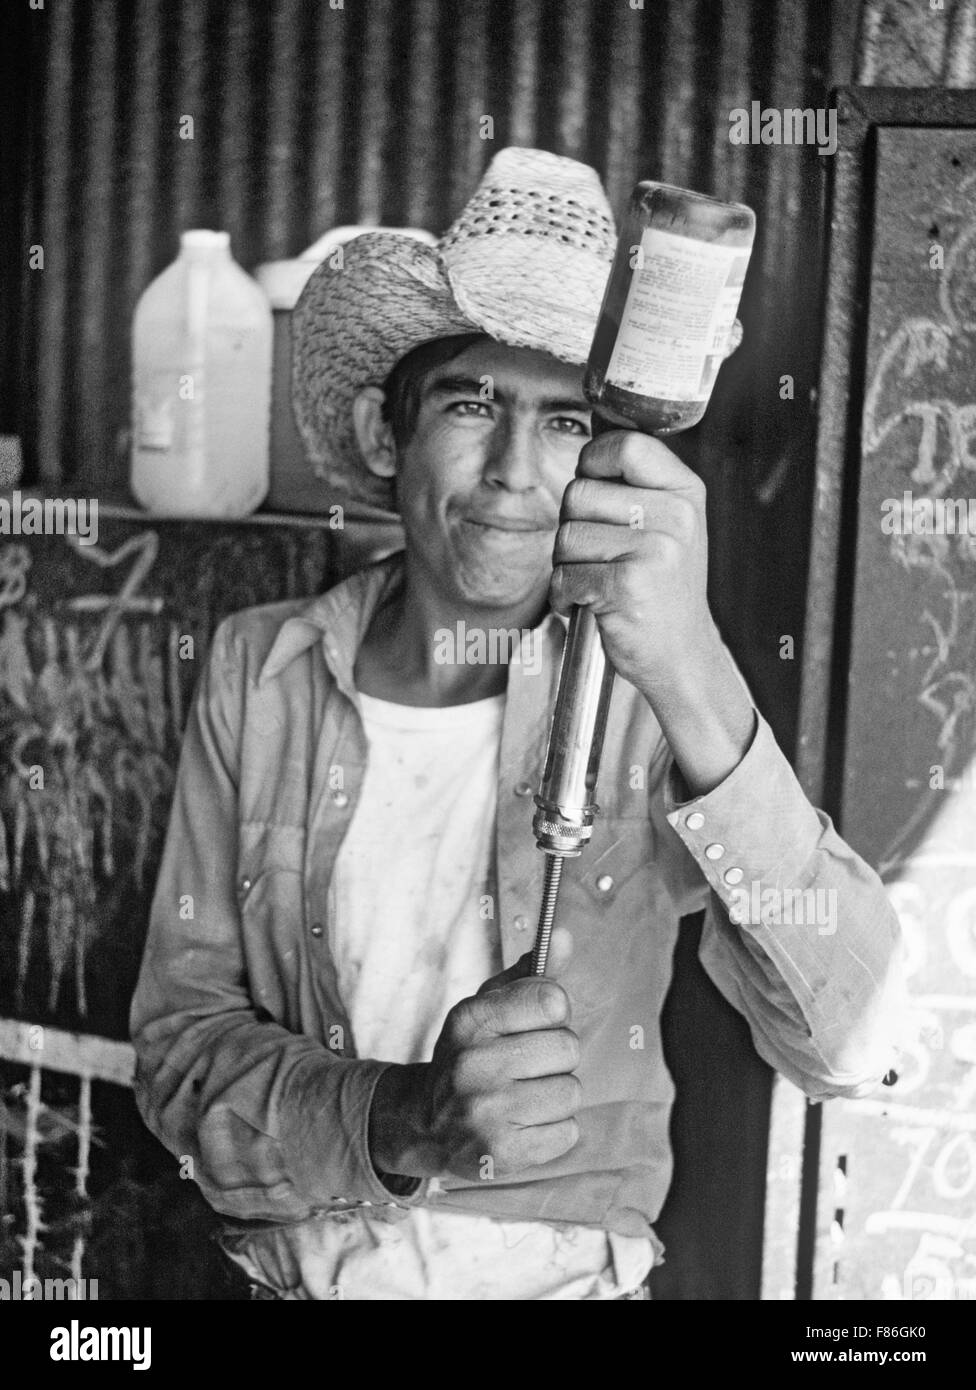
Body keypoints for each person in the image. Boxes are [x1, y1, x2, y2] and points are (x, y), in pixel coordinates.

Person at [130, 147, 904, 1301]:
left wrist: (689, 662)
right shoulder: (263, 668)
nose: (510, 473)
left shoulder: (651, 693)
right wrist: (396, 1119)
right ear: (388, 437)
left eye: (565, 422)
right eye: (471, 403)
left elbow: (851, 1042)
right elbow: (180, 1047)